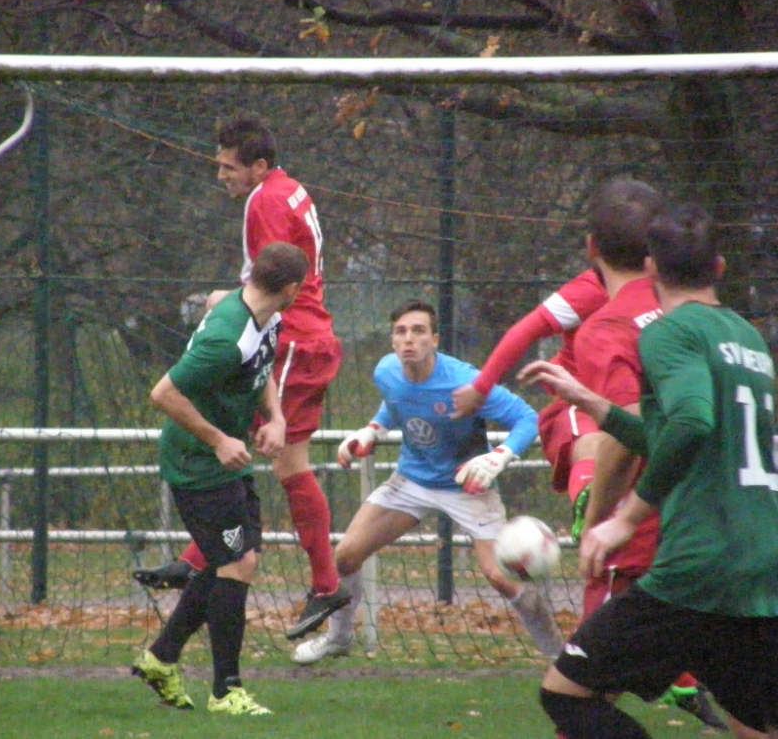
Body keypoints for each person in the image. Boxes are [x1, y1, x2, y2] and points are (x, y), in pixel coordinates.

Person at [520, 204, 778, 739]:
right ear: (721, 268)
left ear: (652, 270)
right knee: (757, 727)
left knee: (566, 694)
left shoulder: (670, 332)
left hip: (696, 566)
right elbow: (684, 438)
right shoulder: (747, 339)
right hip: (758, 562)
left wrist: (625, 517)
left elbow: (690, 423)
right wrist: (591, 402)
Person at [134, 114, 348, 641]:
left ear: (257, 165)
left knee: (283, 460)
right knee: (233, 433)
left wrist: (231, 311)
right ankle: (197, 557)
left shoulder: (264, 200)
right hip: (308, 337)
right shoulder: (288, 187)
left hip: (294, 340)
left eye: (229, 167)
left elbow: (273, 288)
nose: (221, 176)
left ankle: (325, 586)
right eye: (219, 165)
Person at [291, 299, 564, 665]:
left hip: (468, 488)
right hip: (413, 480)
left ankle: (562, 658)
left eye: (419, 331)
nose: (409, 339)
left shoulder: (463, 382)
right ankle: (339, 639)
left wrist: (500, 456)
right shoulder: (386, 371)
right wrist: (373, 430)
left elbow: (528, 418)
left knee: (501, 578)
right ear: (392, 340)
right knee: (345, 556)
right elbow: (396, 402)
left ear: (435, 339)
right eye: (401, 332)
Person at [131, 242, 308, 716]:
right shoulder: (224, 340)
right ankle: (225, 692)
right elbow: (163, 394)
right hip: (197, 464)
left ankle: (161, 658)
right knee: (236, 564)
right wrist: (217, 440)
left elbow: (262, 367)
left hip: (226, 459)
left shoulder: (264, 314)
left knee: (229, 561)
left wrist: (275, 419)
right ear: (291, 288)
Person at [451, 268, 608, 539]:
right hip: (583, 405)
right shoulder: (590, 290)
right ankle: (592, 502)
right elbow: (528, 329)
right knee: (590, 440)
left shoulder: (661, 294)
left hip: (640, 411)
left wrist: (480, 390)